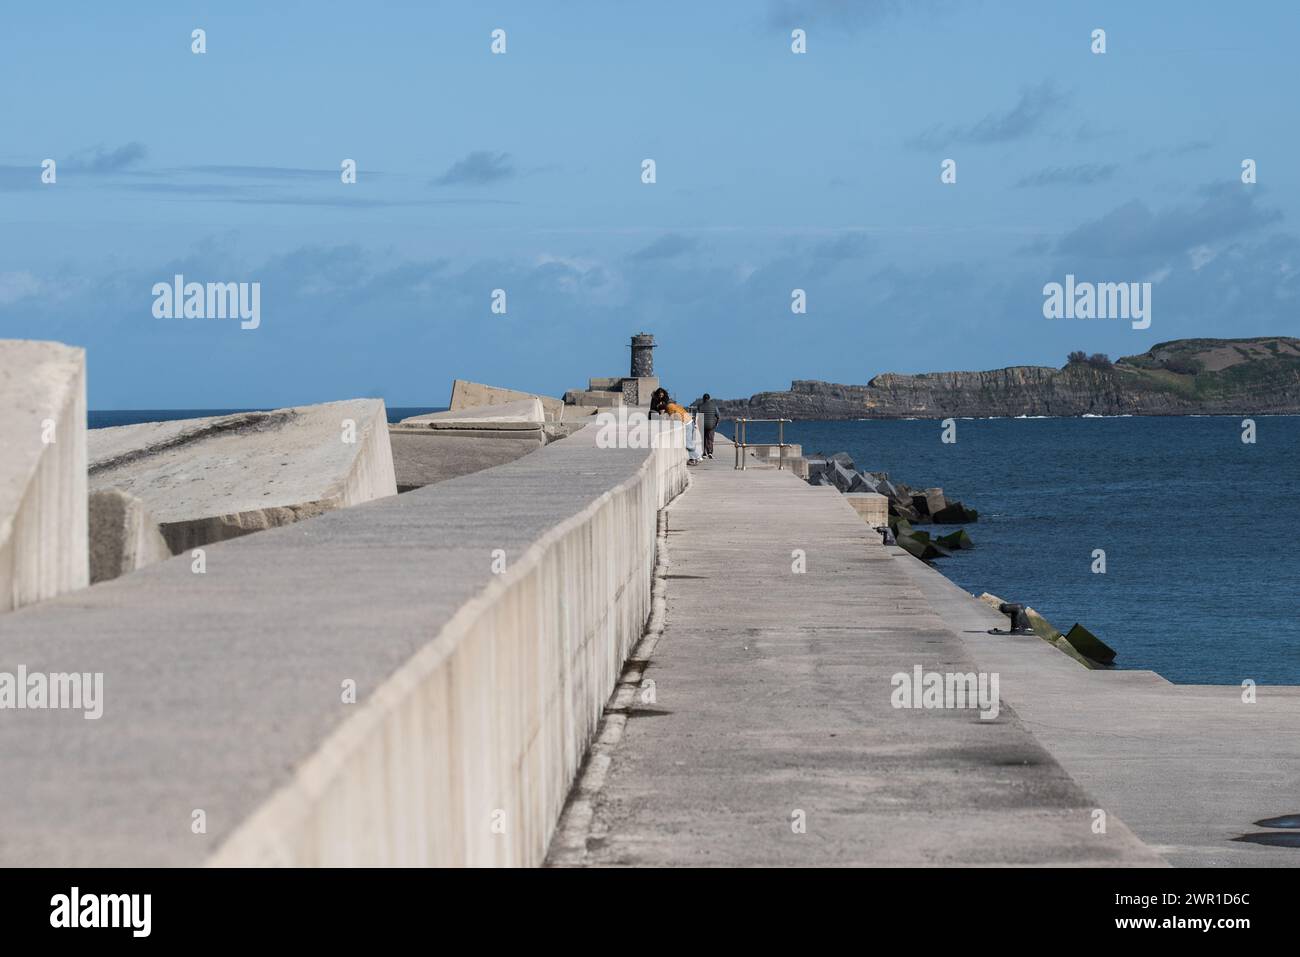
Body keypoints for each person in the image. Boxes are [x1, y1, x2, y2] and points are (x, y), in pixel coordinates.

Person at [651, 388, 702, 465]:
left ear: (663, 409)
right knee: (688, 442)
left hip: (687, 423)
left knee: (688, 443)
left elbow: (675, 418)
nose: (661, 412)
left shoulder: (669, 408)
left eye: (661, 411)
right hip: (690, 421)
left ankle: (695, 458)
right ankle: (696, 457)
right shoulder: (672, 405)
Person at [697, 393, 720, 459]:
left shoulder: (700, 406)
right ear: (709, 398)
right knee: (710, 439)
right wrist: (717, 423)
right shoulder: (714, 405)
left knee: (703, 439)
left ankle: (704, 453)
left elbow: (698, 416)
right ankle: (710, 452)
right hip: (711, 425)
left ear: (703, 399)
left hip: (702, 425)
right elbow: (718, 415)